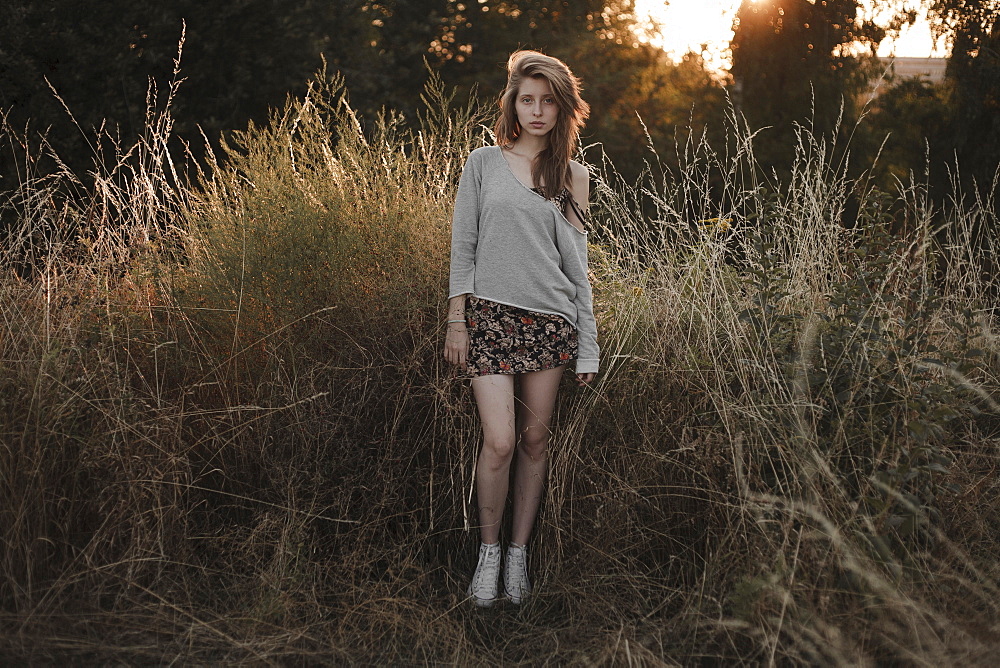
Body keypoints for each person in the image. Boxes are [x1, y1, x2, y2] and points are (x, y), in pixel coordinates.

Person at [443, 50, 599, 607]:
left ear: (562, 110)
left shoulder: (572, 177)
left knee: (535, 441)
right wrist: (457, 319)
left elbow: (576, 266)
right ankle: (487, 557)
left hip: (551, 324)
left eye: (548, 102)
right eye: (527, 100)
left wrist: (588, 346)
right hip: (490, 318)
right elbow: (464, 246)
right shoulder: (483, 162)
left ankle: (518, 557)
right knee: (502, 440)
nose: (537, 111)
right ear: (513, 103)